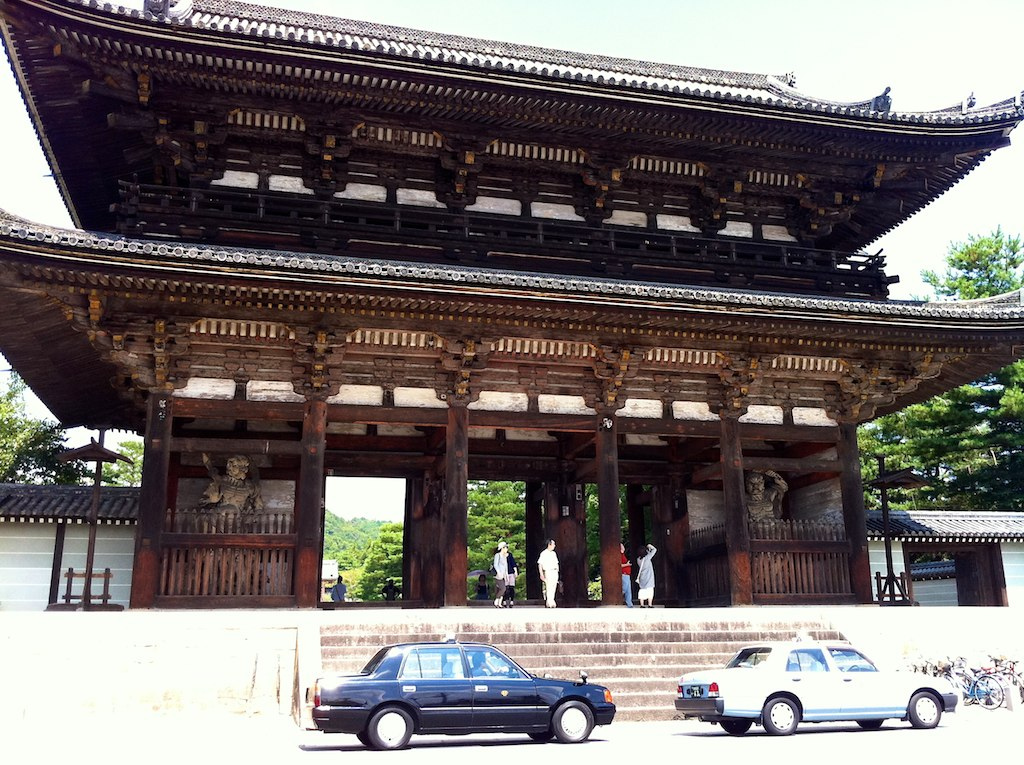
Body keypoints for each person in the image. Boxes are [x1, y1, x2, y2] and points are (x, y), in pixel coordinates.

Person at [538, 539, 560, 608]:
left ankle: (550, 601)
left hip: (554, 571)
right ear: (549, 545)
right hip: (548, 571)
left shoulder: (554, 553)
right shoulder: (544, 553)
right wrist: (541, 574)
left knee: (554, 587)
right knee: (549, 586)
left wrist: (557, 570)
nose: (554, 546)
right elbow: (540, 564)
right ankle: (550, 602)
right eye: (553, 544)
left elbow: (557, 563)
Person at [492, 541, 509, 608]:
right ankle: (496, 601)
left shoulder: (505, 556)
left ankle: (499, 603)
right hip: (498, 575)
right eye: (506, 548)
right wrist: (499, 572)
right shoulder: (497, 555)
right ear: (502, 548)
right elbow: (495, 565)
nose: (507, 549)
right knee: (503, 588)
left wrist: (506, 574)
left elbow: (505, 566)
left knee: (502, 589)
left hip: (503, 575)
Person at [620, 542, 633, 608]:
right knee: (624, 588)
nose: (623, 547)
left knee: (628, 590)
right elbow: (619, 565)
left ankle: (629, 604)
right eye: (622, 546)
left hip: (627, 574)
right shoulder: (619, 555)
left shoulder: (623, 555)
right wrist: (627, 565)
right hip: (624, 574)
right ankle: (618, 598)